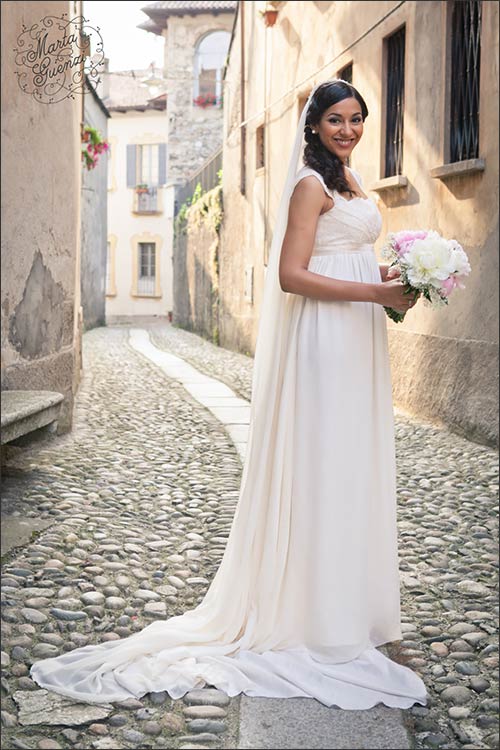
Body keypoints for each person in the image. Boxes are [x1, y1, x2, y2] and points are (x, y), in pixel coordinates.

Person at [30, 79, 428, 710]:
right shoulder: (309, 186)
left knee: (353, 463)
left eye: (356, 119)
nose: (348, 129)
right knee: (323, 464)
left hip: (358, 337)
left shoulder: (351, 183)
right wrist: (375, 293)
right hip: (325, 341)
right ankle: (313, 613)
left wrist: (396, 273)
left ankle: (350, 603)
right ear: (314, 126)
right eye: (335, 120)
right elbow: (292, 275)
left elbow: (344, 255)